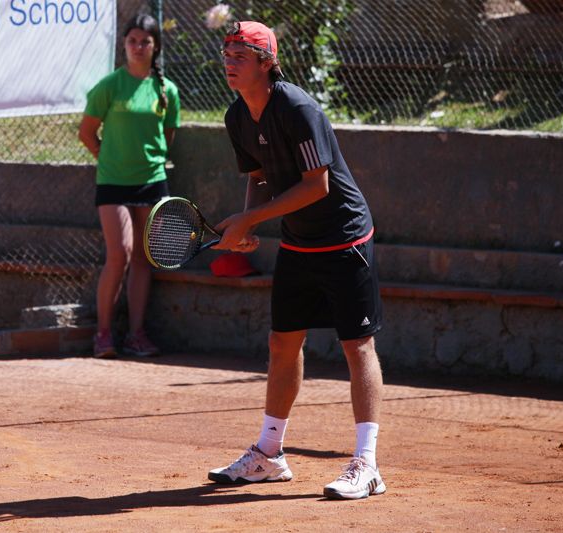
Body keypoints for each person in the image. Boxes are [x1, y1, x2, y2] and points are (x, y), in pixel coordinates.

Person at [206, 21, 386, 500]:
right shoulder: (237, 116)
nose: (229, 61)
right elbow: (262, 175)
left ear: (266, 62)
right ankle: (268, 455)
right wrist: (248, 223)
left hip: (344, 237)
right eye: (226, 53)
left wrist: (249, 220)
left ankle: (366, 464)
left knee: (357, 346)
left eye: (240, 54)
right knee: (282, 342)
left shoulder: (298, 108)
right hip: (299, 242)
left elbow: (316, 185)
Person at [78, 14, 181, 359]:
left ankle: (137, 335)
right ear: (123, 45)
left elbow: (167, 136)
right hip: (113, 183)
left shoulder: (167, 90)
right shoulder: (110, 85)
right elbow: (87, 132)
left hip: (152, 182)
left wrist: (147, 162)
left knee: (143, 258)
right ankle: (103, 333)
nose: (138, 47)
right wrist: (107, 159)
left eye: (145, 42)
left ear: (156, 47)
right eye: (132, 41)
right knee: (119, 252)